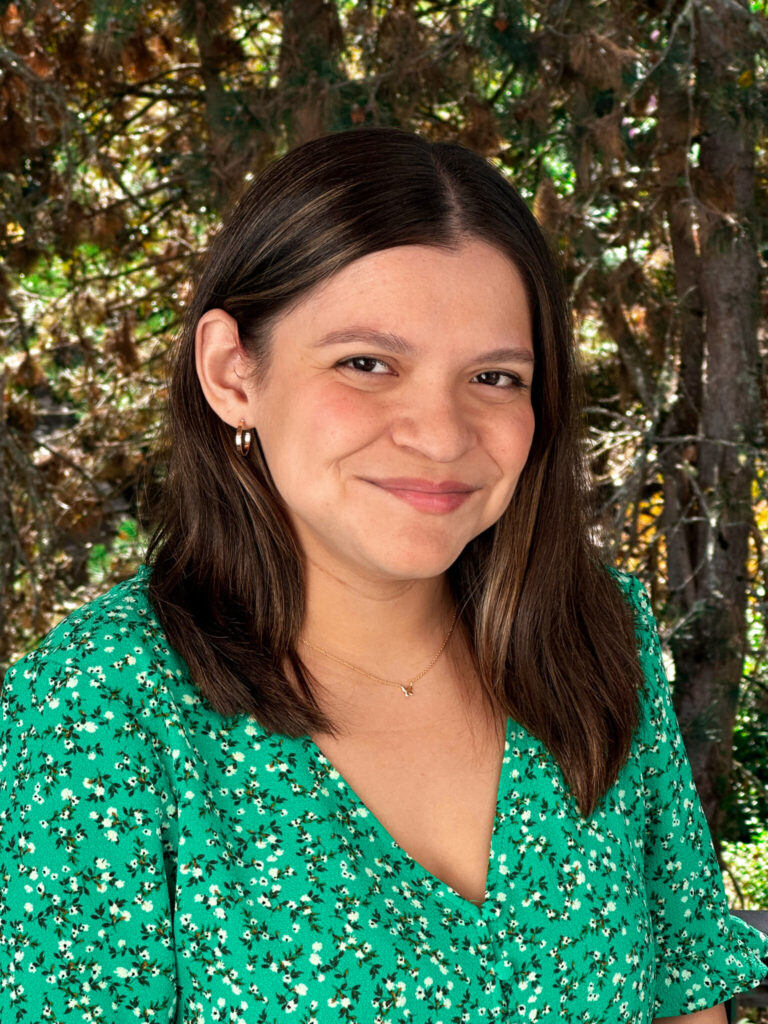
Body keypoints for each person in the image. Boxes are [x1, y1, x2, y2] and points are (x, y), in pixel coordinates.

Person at [1, 127, 766, 1024]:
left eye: (493, 376)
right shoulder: (101, 709)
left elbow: (686, 999)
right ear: (231, 372)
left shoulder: (593, 638)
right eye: (367, 364)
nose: (440, 434)